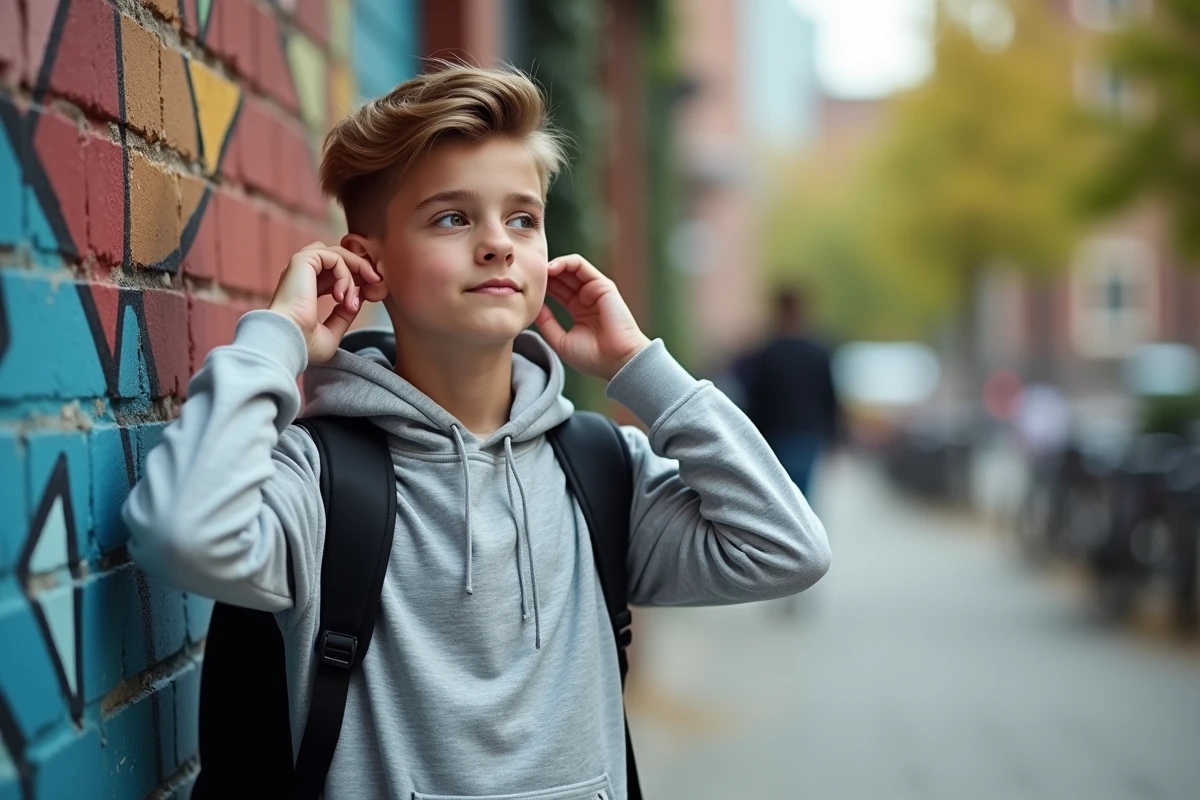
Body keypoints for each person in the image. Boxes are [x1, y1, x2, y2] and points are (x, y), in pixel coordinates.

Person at [122, 64, 830, 799]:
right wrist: (279, 339)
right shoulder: (319, 481)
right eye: (452, 218)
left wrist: (638, 366)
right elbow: (181, 533)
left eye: (522, 218)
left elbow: (787, 549)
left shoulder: (598, 469)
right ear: (370, 262)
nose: (498, 243)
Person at [742, 287, 843, 500]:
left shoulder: (768, 353)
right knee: (802, 499)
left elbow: (756, 399)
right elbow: (830, 396)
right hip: (808, 435)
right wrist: (834, 437)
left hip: (776, 435)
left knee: (780, 497)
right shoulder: (819, 352)